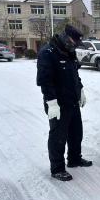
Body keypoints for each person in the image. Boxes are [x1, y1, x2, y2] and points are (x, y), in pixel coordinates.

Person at [37, 24, 92, 181]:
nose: (75, 46)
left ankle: (74, 159)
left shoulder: (70, 52)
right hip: (57, 104)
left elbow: (75, 74)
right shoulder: (47, 53)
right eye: (74, 42)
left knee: (76, 132)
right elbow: (44, 81)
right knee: (58, 136)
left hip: (72, 100)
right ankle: (57, 168)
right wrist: (51, 102)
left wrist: (80, 90)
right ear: (66, 38)